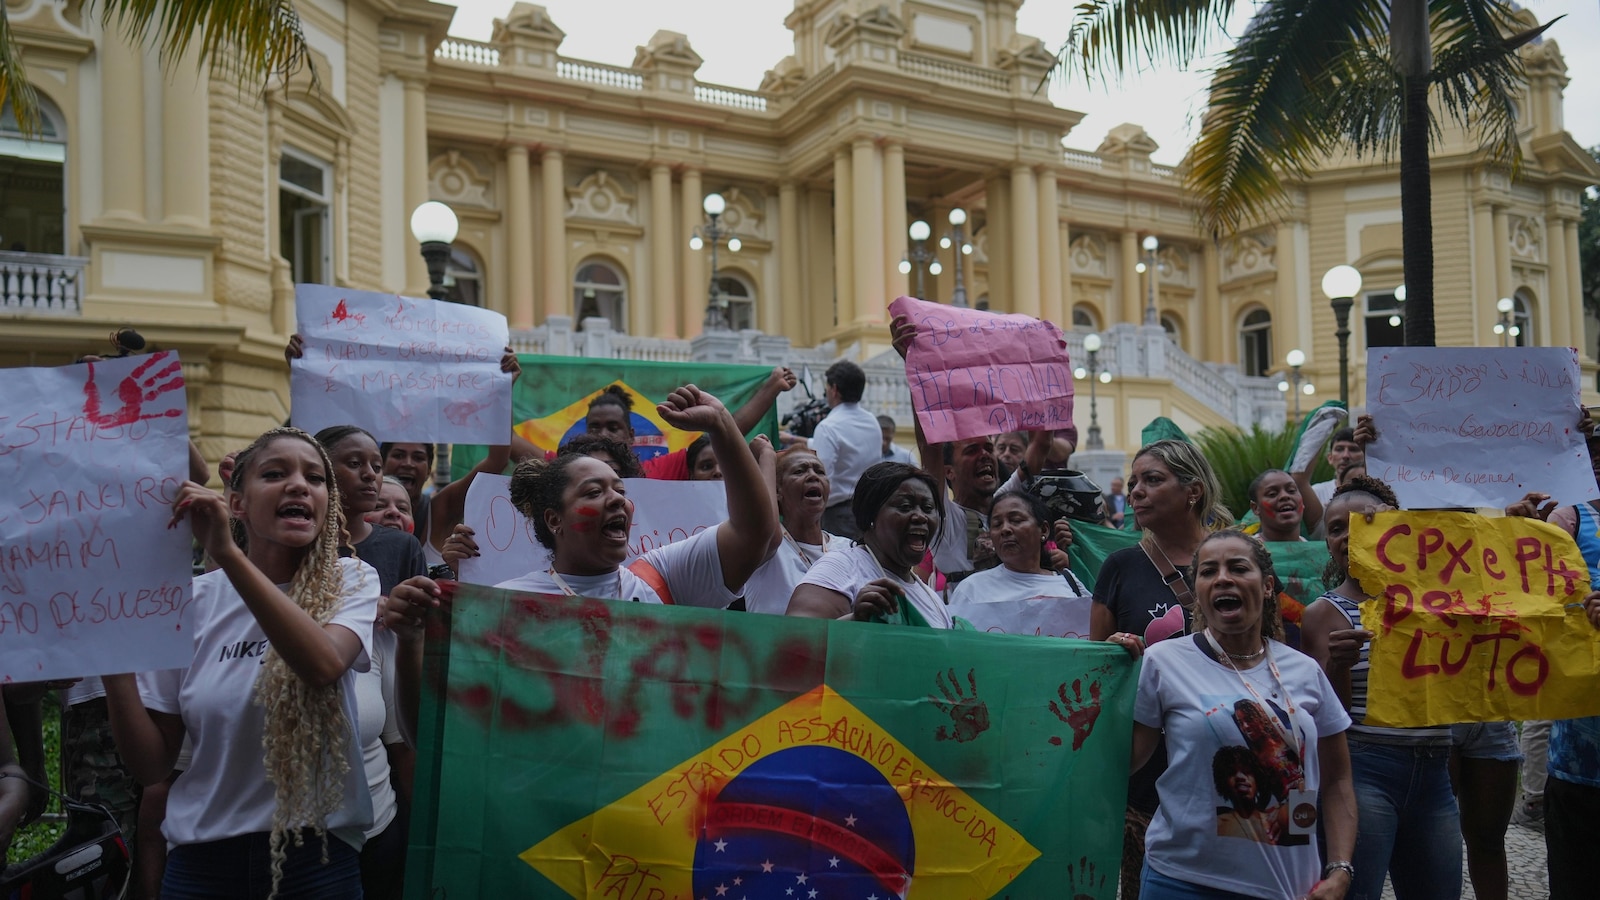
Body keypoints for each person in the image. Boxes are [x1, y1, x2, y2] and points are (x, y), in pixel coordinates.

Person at [103, 427, 379, 899]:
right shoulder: (188, 603)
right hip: (201, 865)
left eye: (315, 478)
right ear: (237, 504)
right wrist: (111, 659)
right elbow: (151, 764)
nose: (298, 485)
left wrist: (226, 553)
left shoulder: (349, 579)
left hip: (316, 863)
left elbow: (323, 665)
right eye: (275, 474)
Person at [1110, 530, 1356, 900]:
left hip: (1288, 886)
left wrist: (1340, 869)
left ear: (1268, 586)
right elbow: (1121, 761)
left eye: (1238, 568)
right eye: (1208, 571)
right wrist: (1106, 678)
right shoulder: (1163, 662)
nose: (1222, 578)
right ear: (1198, 591)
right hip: (1182, 881)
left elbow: (1337, 780)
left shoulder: (1304, 672)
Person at [1299, 476, 1462, 900]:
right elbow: (1327, 717)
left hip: (1436, 772)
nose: (1350, 535)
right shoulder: (1324, 614)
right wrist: (1338, 664)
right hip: (1363, 771)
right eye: (1336, 528)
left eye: (1366, 523)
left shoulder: (1441, 602)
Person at [1091, 437, 1232, 900]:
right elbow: (1097, 674)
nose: (1136, 492)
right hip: (1147, 776)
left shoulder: (1234, 560)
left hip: (1229, 764)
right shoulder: (1119, 567)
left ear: (1192, 491)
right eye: (1133, 483)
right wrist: (1112, 650)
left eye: (1153, 480)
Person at [315, 426, 426, 900]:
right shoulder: (238, 589)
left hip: (376, 803)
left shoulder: (397, 550)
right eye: (353, 463)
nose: (370, 475)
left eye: (375, 466)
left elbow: (404, 732)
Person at [786, 462, 951, 628]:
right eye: (905, 507)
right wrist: (854, 621)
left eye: (928, 508)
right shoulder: (841, 569)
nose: (921, 517)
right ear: (870, 514)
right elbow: (795, 641)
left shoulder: (933, 600)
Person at [579, 366, 796, 479]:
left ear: (631, 435)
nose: (603, 434)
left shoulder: (660, 470)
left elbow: (725, 435)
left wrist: (771, 388)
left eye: (613, 427)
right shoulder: (567, 471)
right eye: (595, 427)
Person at [948, 490, 1089, 631]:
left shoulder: (1071, 585)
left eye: (1016, 520)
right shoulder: (971, 590)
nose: (1005, 529)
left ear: (1044, 530)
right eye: (997, 524)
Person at [743, 448, 838, 615]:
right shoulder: (763, 548)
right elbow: (761, 521)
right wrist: (766, 455)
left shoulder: (849, 549)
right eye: (799, 471)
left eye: (820, 471)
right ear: (777, 491)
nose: (813, 475)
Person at [809, 360, 883, 540]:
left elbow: (822, 477)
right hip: (870, 509)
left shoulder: (828, 427)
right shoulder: (872, 421)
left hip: (838, 514)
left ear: (834, 389)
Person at [1249, 469, 1306, 542]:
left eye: (1291, 490)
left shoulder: (1318, 551)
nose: (1284, 496)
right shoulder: (1246, 551)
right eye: (1272, 494)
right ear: (1255, 508)